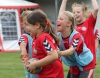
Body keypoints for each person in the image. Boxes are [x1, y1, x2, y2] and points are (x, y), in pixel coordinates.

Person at [59, 0, 99, 78]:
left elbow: (96, 9)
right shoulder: (72, 26)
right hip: (75, 62)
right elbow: (62, 15)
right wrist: (64, 1)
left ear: (84, 13)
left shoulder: (89, 23)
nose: (75, 14)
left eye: (78, 12)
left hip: (87, 62)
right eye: (74, 12)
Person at [25, 10, 64, 78]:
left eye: (28, 25)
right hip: (46, 74)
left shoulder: (43, 38)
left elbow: (53, 56)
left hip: (53, 75)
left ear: (37, 25)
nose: (26, 28)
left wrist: (35, 64)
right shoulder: (35, 38)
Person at [18, 10, 38, 78]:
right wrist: (23, 51)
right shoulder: (25, 36)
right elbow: (23, 42)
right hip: (30, 67)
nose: (27, 26)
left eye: (29, 23)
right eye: (25, 24)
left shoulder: (39, 36)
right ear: (22, 24)